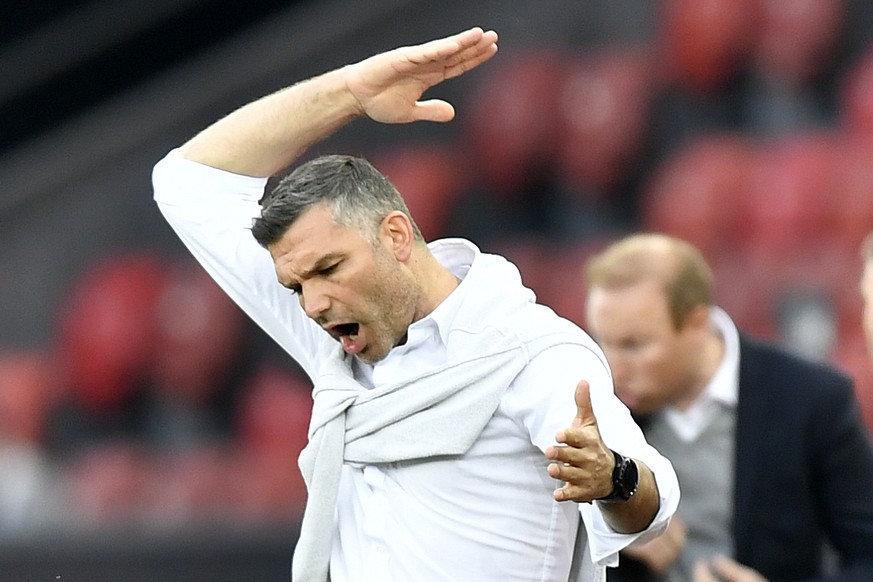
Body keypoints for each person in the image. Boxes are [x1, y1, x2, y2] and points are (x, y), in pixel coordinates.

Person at [150, 27, 679, 582]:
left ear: (398, 236)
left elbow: (654, 504)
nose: (312, 305)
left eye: (330, 269)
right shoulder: (336, 344)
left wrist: (613, 478)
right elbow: (187, 183)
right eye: (296, 286)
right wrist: (350, 93)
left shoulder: (531, 355)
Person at [583, 232, 873, 582]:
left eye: (633, 345)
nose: (612, 367)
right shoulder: (597, 411)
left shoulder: (813, 400)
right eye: (602, 341)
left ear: (696, 323)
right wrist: (610, 527)